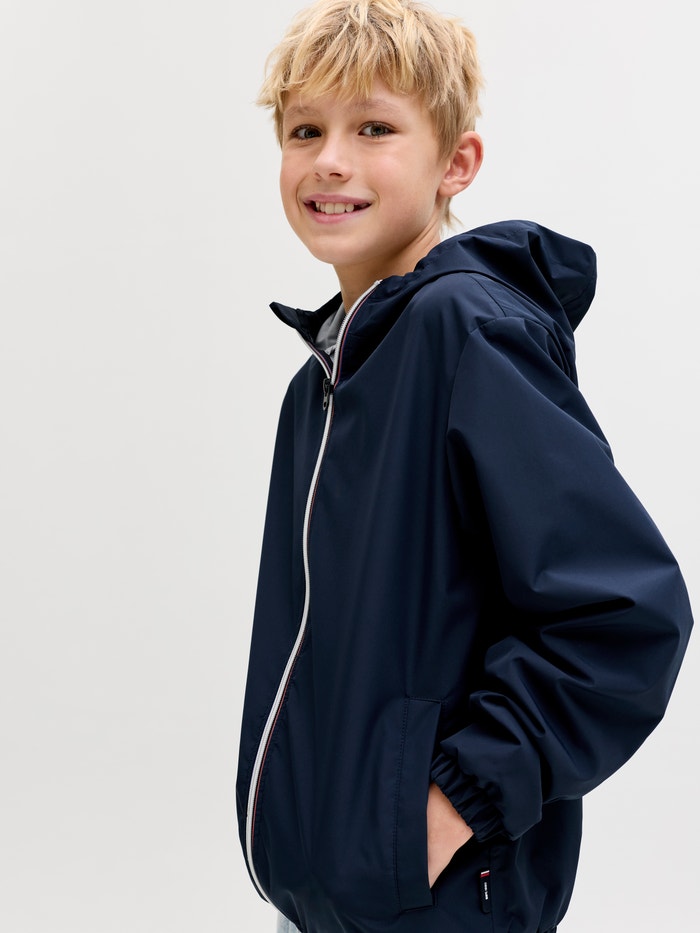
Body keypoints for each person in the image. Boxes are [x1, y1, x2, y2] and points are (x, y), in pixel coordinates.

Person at [236, 2, 693, 931]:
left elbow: (622, 616)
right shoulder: (320, 384)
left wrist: (451, 804)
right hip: (331, 897)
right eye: (305, 131)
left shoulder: (466, 330)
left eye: (374, 128)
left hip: (436, 899)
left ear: (457, 163)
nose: (330, 160)